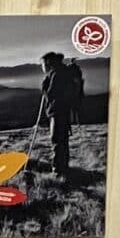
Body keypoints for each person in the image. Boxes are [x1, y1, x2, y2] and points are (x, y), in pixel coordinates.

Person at [38, 50, 86, 179]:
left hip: (57, 112)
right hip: (63, 111)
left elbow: (52, 94)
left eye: (43, 64)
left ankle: (58, 171)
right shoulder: (62, 71)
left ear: (48, 63)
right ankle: (64, 168)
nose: (43, 67)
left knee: (57, 140)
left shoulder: (56, 73)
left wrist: (44, 87)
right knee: (62, 141)